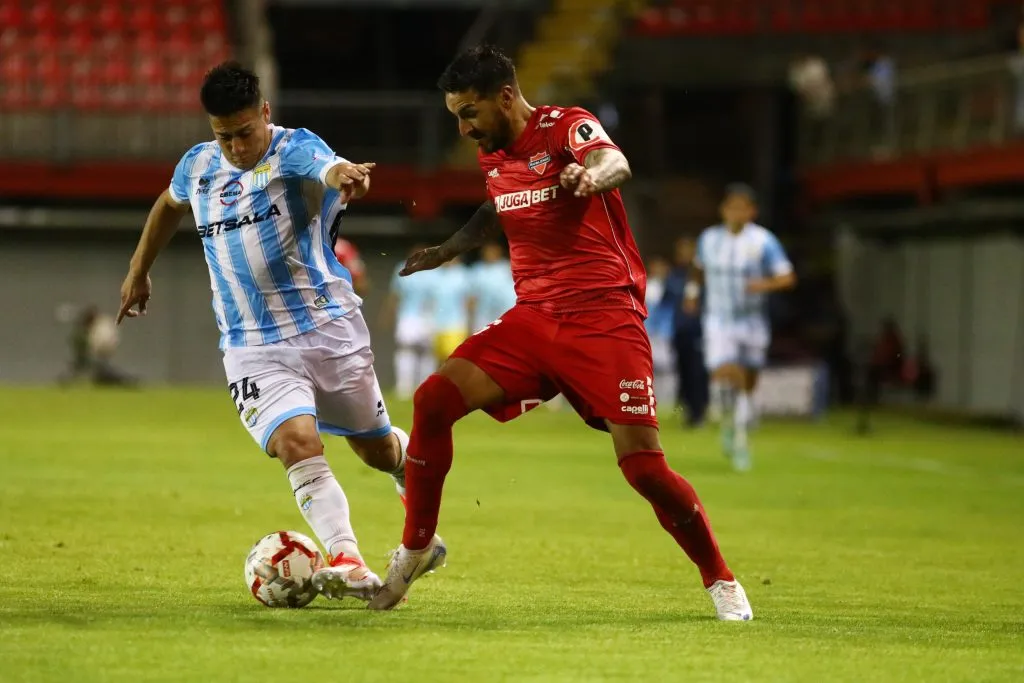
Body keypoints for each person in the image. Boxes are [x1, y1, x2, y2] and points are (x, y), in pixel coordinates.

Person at [368, 45, 752, 621]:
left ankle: (720, 579)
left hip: (603, 317)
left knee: (644, 467)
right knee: (432, 401)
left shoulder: (566, 127)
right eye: (455, 115)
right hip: (533, 319)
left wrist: (591, 175)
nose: (463, 127)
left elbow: (614, 162)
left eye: (469, 112)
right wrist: (447, 250)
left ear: (505, 96)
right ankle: (417, 546)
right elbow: (498, 208)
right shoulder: (493, 153)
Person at [116, 62, 407, 603]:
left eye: (245, 133)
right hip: (251, 345)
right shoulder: (197, 165)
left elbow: (329, 167)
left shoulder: (293, 148)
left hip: (327, 329)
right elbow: (168, 204)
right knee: (296, 440)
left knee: (377, 451)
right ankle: (346, 557)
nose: (235, 147)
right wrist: (138, 269)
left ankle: (406, 468)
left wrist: (348, 175)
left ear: (265, 115)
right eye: (223, 134)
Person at [685, 184, 796, 471]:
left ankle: (737, 432)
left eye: (742, 207)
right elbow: (698, 270)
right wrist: (692, 294)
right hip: (719, 318)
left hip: (753, 320)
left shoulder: (763, 241)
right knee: (725, 371)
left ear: (752, 211)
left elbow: (787, 277)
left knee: (749, 381)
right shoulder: (709, 239)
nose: (736, 212)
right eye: (731, 206)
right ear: (723, 210)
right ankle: (731, 421)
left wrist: (763, 284)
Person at [660, 237, 708, 427]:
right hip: (679, 331)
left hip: (699, 330)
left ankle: (699, 411)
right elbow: (665, 300)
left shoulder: (702, 277)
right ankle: (687, 410)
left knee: (698, 372)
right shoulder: (674, 276)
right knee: (683, 371)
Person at [381, 244, 438, 400]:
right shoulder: (404, 267)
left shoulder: (432, 269)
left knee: (426, 353)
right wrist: (389, 314)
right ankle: (405, 387)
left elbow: (436, 298)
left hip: (426, 316)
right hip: (408, 315)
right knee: (406, 351)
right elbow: (395, 294)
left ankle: (422, 386)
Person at [645, 256, 676, 408]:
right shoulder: (645, 284)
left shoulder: (671, 287)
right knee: (649, 365)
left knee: (666, 366)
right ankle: (650, 397)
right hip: (648, 331)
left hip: (664, 332)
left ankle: (667, 399)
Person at [429, 257, 473, 364]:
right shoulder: (436, 274)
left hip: (455, 325)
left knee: (453, 358)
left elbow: (470, 300)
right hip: (437, 324)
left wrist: (469, 322)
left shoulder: (463, 274)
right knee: (438, 359)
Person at [469, 241, 517, 332]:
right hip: (483, 317)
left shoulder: (507, 267)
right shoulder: (477, 270)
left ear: (499, 251)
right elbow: (472, 297)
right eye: (487, 251)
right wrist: (470, 320)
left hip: (504, 315)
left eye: (493, 251)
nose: (490, 254)